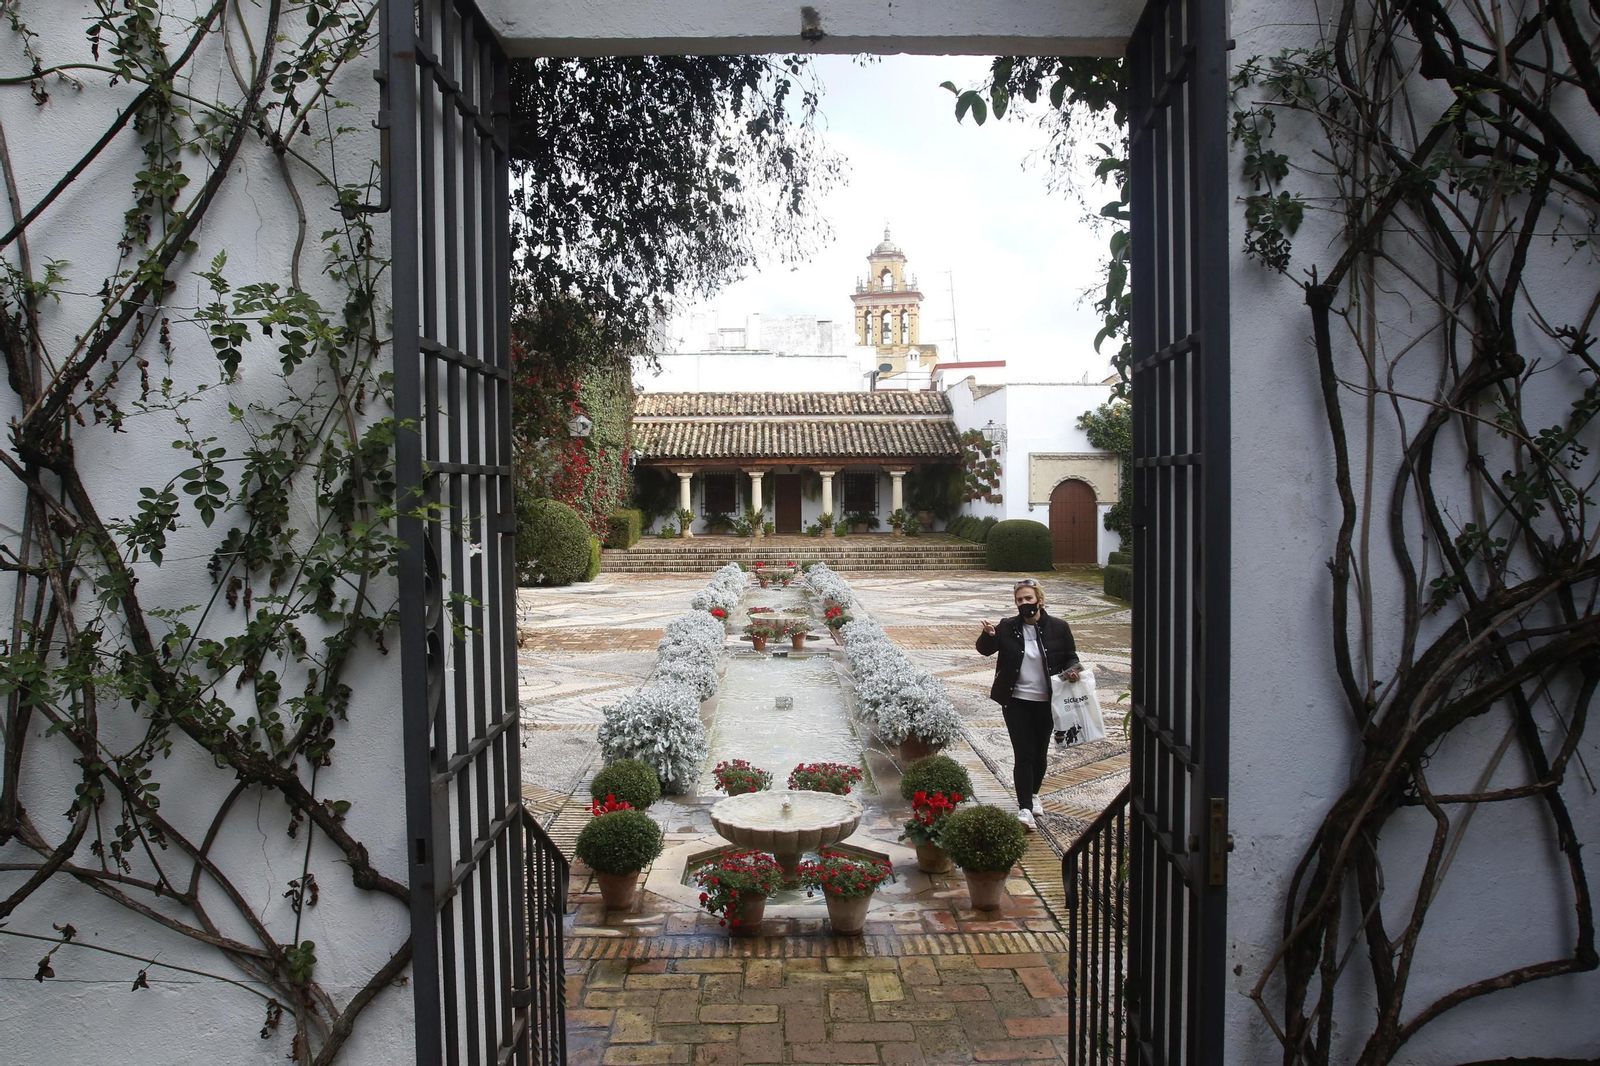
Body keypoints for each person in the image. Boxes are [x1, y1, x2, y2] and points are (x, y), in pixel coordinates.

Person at [976, 578, 1081, 830]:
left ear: (1039, 600)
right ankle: (1024, 809)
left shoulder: (1059, 628)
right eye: (1019, 600)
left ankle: (1034, 795)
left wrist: (1072, 671)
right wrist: (989, 636)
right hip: (1016, 701)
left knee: (1039, 753)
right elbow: (984, 650)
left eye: (1028, 599)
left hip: (1046, 701)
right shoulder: (1007, 627)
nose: (1024, 604)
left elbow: (1071, 657)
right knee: (1024, 754)